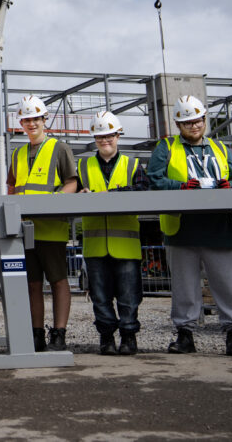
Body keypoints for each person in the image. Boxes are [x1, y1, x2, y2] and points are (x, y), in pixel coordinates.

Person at [147, 95, 232, 357]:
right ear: (178, 125)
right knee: (184, 288)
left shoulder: (220, 149)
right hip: (181, 228)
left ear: (205, 120)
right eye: (188, 122)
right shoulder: (166, 148)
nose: (194, 126)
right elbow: (154, 181)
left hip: (218, 227)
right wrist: (181, 187)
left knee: (225, 285)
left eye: (198, 120)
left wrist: (230, 186)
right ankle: (185, 335)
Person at [7, 94, 77, 352]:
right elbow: (12, 186)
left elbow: (72, 182)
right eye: (27, 119)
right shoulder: (18, 153)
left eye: (36, 118)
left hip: (52, 229)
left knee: (58, 280)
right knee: (32, 284)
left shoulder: (60, 148)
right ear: (21, 123)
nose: (31, 123)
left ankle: (59, 333)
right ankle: (36, 333)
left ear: (44, 119)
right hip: (24, 231)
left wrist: (54, 202)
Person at [76, 110, 149, 356]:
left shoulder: (134, 165)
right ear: (94, 139)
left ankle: (129, 337)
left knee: (129, 297)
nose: (105, 140)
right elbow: (70, 194)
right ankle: (106, 338)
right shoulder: (82, 166)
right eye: (100, 137)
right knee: (100, 296)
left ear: (118, 135)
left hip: (126, 246)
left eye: (109, 135)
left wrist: (112, 196)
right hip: (95, 245)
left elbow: (143, 192)